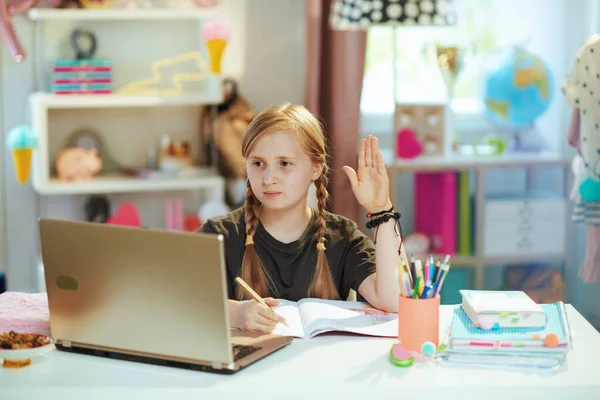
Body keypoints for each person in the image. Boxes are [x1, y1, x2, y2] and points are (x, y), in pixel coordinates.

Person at [199, 103, 407, 333]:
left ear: (315, 169)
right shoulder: (219, 235)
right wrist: (233, 314)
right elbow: (173, 299)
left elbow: (394, 300)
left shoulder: (342, 237)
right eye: (258, 163)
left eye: (285, 164)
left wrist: (381, 210)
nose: (268, 178)